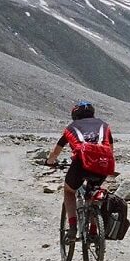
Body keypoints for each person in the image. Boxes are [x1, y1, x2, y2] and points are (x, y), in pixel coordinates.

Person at [45, 101, 114, 242]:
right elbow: (111, 149)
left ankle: (72, 227)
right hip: (103, 163)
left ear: (75, 115)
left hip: (81, 164)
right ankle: (93, 231)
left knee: (69, 191)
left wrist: (49, 162)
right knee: (93, 194)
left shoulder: (71, 128)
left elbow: (56, 152)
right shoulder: (104, 126)